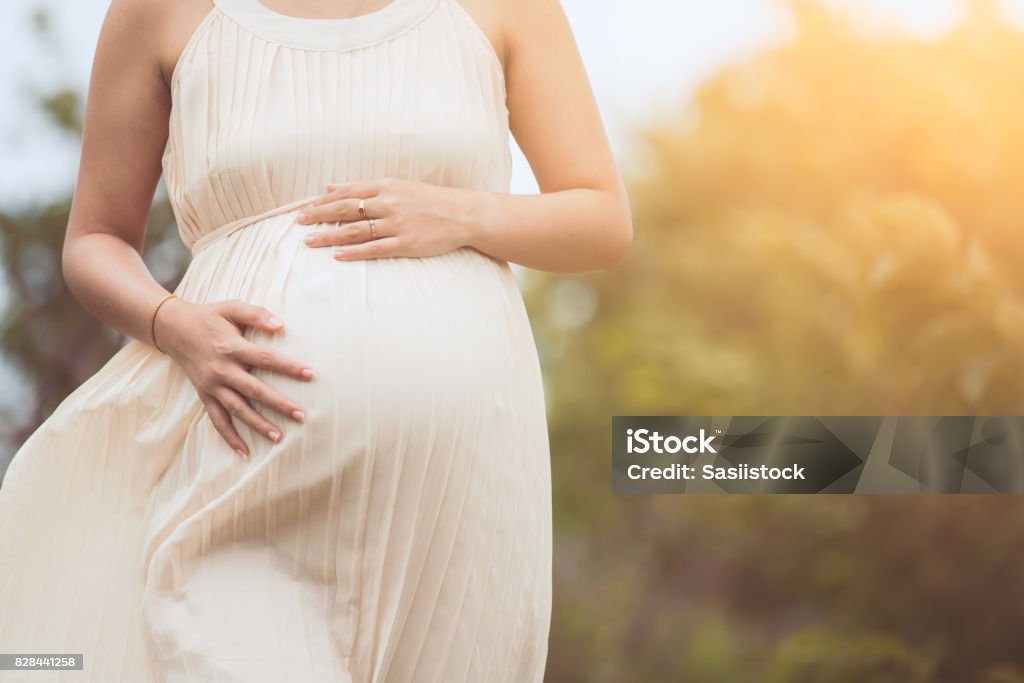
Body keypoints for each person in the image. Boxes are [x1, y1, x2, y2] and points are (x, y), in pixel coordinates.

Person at [0, 0, 632, 679]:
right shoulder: (159, 12)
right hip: (244, 472)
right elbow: (95, 240)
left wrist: (462, 211)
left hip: (461, 498)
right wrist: (174, 324)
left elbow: (602, 219)